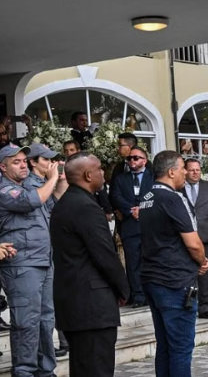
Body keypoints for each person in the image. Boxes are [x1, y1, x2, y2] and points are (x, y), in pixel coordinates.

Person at [50, 152, 130, 377]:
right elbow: (104, 254)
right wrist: (123, 288)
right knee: (97, 369)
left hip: (75, 302)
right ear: (87, 175)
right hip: (92, 306)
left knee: (83, 368)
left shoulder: (65, 203)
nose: (102, 173)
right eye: (99, 169)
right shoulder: (85, 207)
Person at [140, 151, 208, 377]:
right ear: (171, 171)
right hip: (174, 280)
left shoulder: (147, 196)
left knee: (166, 345)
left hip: (153, 277)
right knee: (180, 348)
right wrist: (202, 260)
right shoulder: (173, 197)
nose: (185, 174)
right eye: (182, 169)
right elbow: (193, 243)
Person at [0, 143, 66, 377]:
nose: (22, 165)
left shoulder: (28, 187)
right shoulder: (5, 190)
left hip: (43, 261)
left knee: (45, 320)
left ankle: (45, 371)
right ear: (3, 167)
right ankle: (25, 372)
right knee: (26, 323)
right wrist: (53, 176)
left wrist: (61, 178)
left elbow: (53, 201)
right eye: (15, 162)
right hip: (21, 265)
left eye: (23, 161)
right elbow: (31, 201)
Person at [111, 146, 153, 308]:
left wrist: (141, 208)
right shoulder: (121, 179)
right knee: (133, 263)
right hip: (130, 226)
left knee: (149, 262)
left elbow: (154, 193)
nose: (132, 161)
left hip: (149, 227)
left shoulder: (153, 177)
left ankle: (151, 294)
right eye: (129, 158)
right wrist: (131, 210)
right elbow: (115, 196)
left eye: (136, 158)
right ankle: (138, 295)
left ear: (144, 160)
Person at [182, 158, 208, 319]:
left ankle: (204, 307)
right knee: (190, 274)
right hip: (185, 238)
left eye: (198, 169)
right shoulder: (178, 188)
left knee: (207, 274)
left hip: (207, 236)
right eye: (192, 170)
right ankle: (190, 305)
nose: (195, 172)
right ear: (185, 171)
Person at [63, 139, 113, 222]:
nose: (69, 153)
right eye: (66, 151)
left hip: (88, 206)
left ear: (78, 151)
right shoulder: (60, 167)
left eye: (72, 150)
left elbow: (101, 188)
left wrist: (107, 209)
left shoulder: (89, 166)